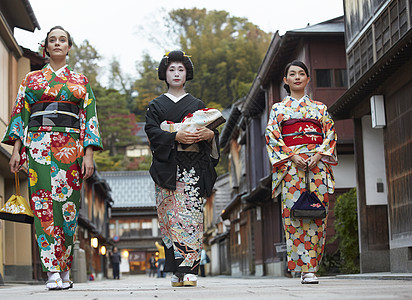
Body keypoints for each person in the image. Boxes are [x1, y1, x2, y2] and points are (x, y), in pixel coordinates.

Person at [2, 26, 102, 290]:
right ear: (45, 47)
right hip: (38, 147)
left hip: (71, 148)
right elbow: (20, 114)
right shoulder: (31, 80)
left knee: (68, 209)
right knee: (43, 206)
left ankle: (65, 268)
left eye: (62, 40)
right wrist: (16, 149)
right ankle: (51, 271)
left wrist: (88, 154)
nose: (57, 43)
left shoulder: (81, 81)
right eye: (52, 40)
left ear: (69, 47)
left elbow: (88, 118)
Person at [145, 50, 220, 287]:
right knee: (170, 219)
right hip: (168, 166)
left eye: (180, 69)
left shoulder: (197, 104)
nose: (176, 73)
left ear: (187, 74)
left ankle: (190, 269)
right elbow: (152, 133)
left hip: (194, 165)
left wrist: (209, 135)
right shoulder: (156, 105)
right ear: (164, 74)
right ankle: (177, 271)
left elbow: (210, 131)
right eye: (171, 69)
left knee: (191, 216)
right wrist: (177, 135)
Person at [265, 60, 337, 284]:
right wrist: (291, 155)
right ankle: (303, 268)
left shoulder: (320, 108)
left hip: (316, 167)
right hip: (290, 169)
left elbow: (330, 134)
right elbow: (272, 137)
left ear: (308, 79)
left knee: (317, 215)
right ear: (285, 80)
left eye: (301, 74)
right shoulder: (278, 109)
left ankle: (312, 269)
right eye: (292, 74)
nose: (297, 77)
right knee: (294, 216)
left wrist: (317, 155)